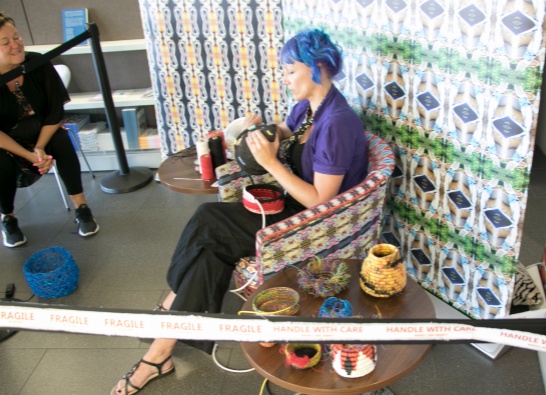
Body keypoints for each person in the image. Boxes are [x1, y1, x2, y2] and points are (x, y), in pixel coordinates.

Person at [111, 29, 368, 394]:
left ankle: (169, 316)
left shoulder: (338, 123)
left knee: (208, 221)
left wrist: (271, 163)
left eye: (290, 70)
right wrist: (261, 129)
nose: (284, 78)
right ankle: (162, 348)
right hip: (288, 204)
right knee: (211, 250)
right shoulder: (310, 107)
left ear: (317, 68)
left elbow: (321, 203)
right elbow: (289, 131)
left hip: (314, 225)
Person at [0, 12, 99, 247]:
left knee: (63, 140)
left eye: (17, 37)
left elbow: (55, 112)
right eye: (5, 42)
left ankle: (81, 207)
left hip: (42, 133)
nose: (16, 45)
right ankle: (8, 218)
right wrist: (29, 155)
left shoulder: (37, 64)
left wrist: (40, 147)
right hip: (8, 143)